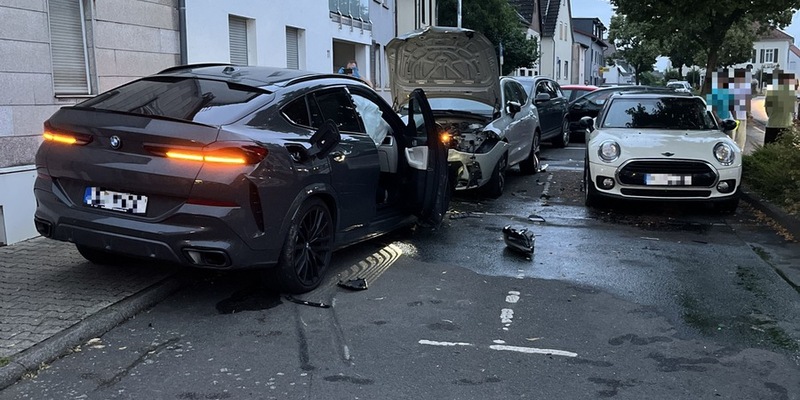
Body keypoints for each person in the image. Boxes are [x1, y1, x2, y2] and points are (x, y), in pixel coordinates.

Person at [764, 72, 797, 144]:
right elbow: (793, 112)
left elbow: (767, 111)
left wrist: (773, 116)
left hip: (771, 125)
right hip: (786, 126)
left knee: (769, 148)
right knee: (783, 149)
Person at [729, 69, 752, 151]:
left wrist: (749, 114)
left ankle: (739, 152)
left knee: (741, 139)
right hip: (733, 117)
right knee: (732, 138)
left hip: (742, 117)